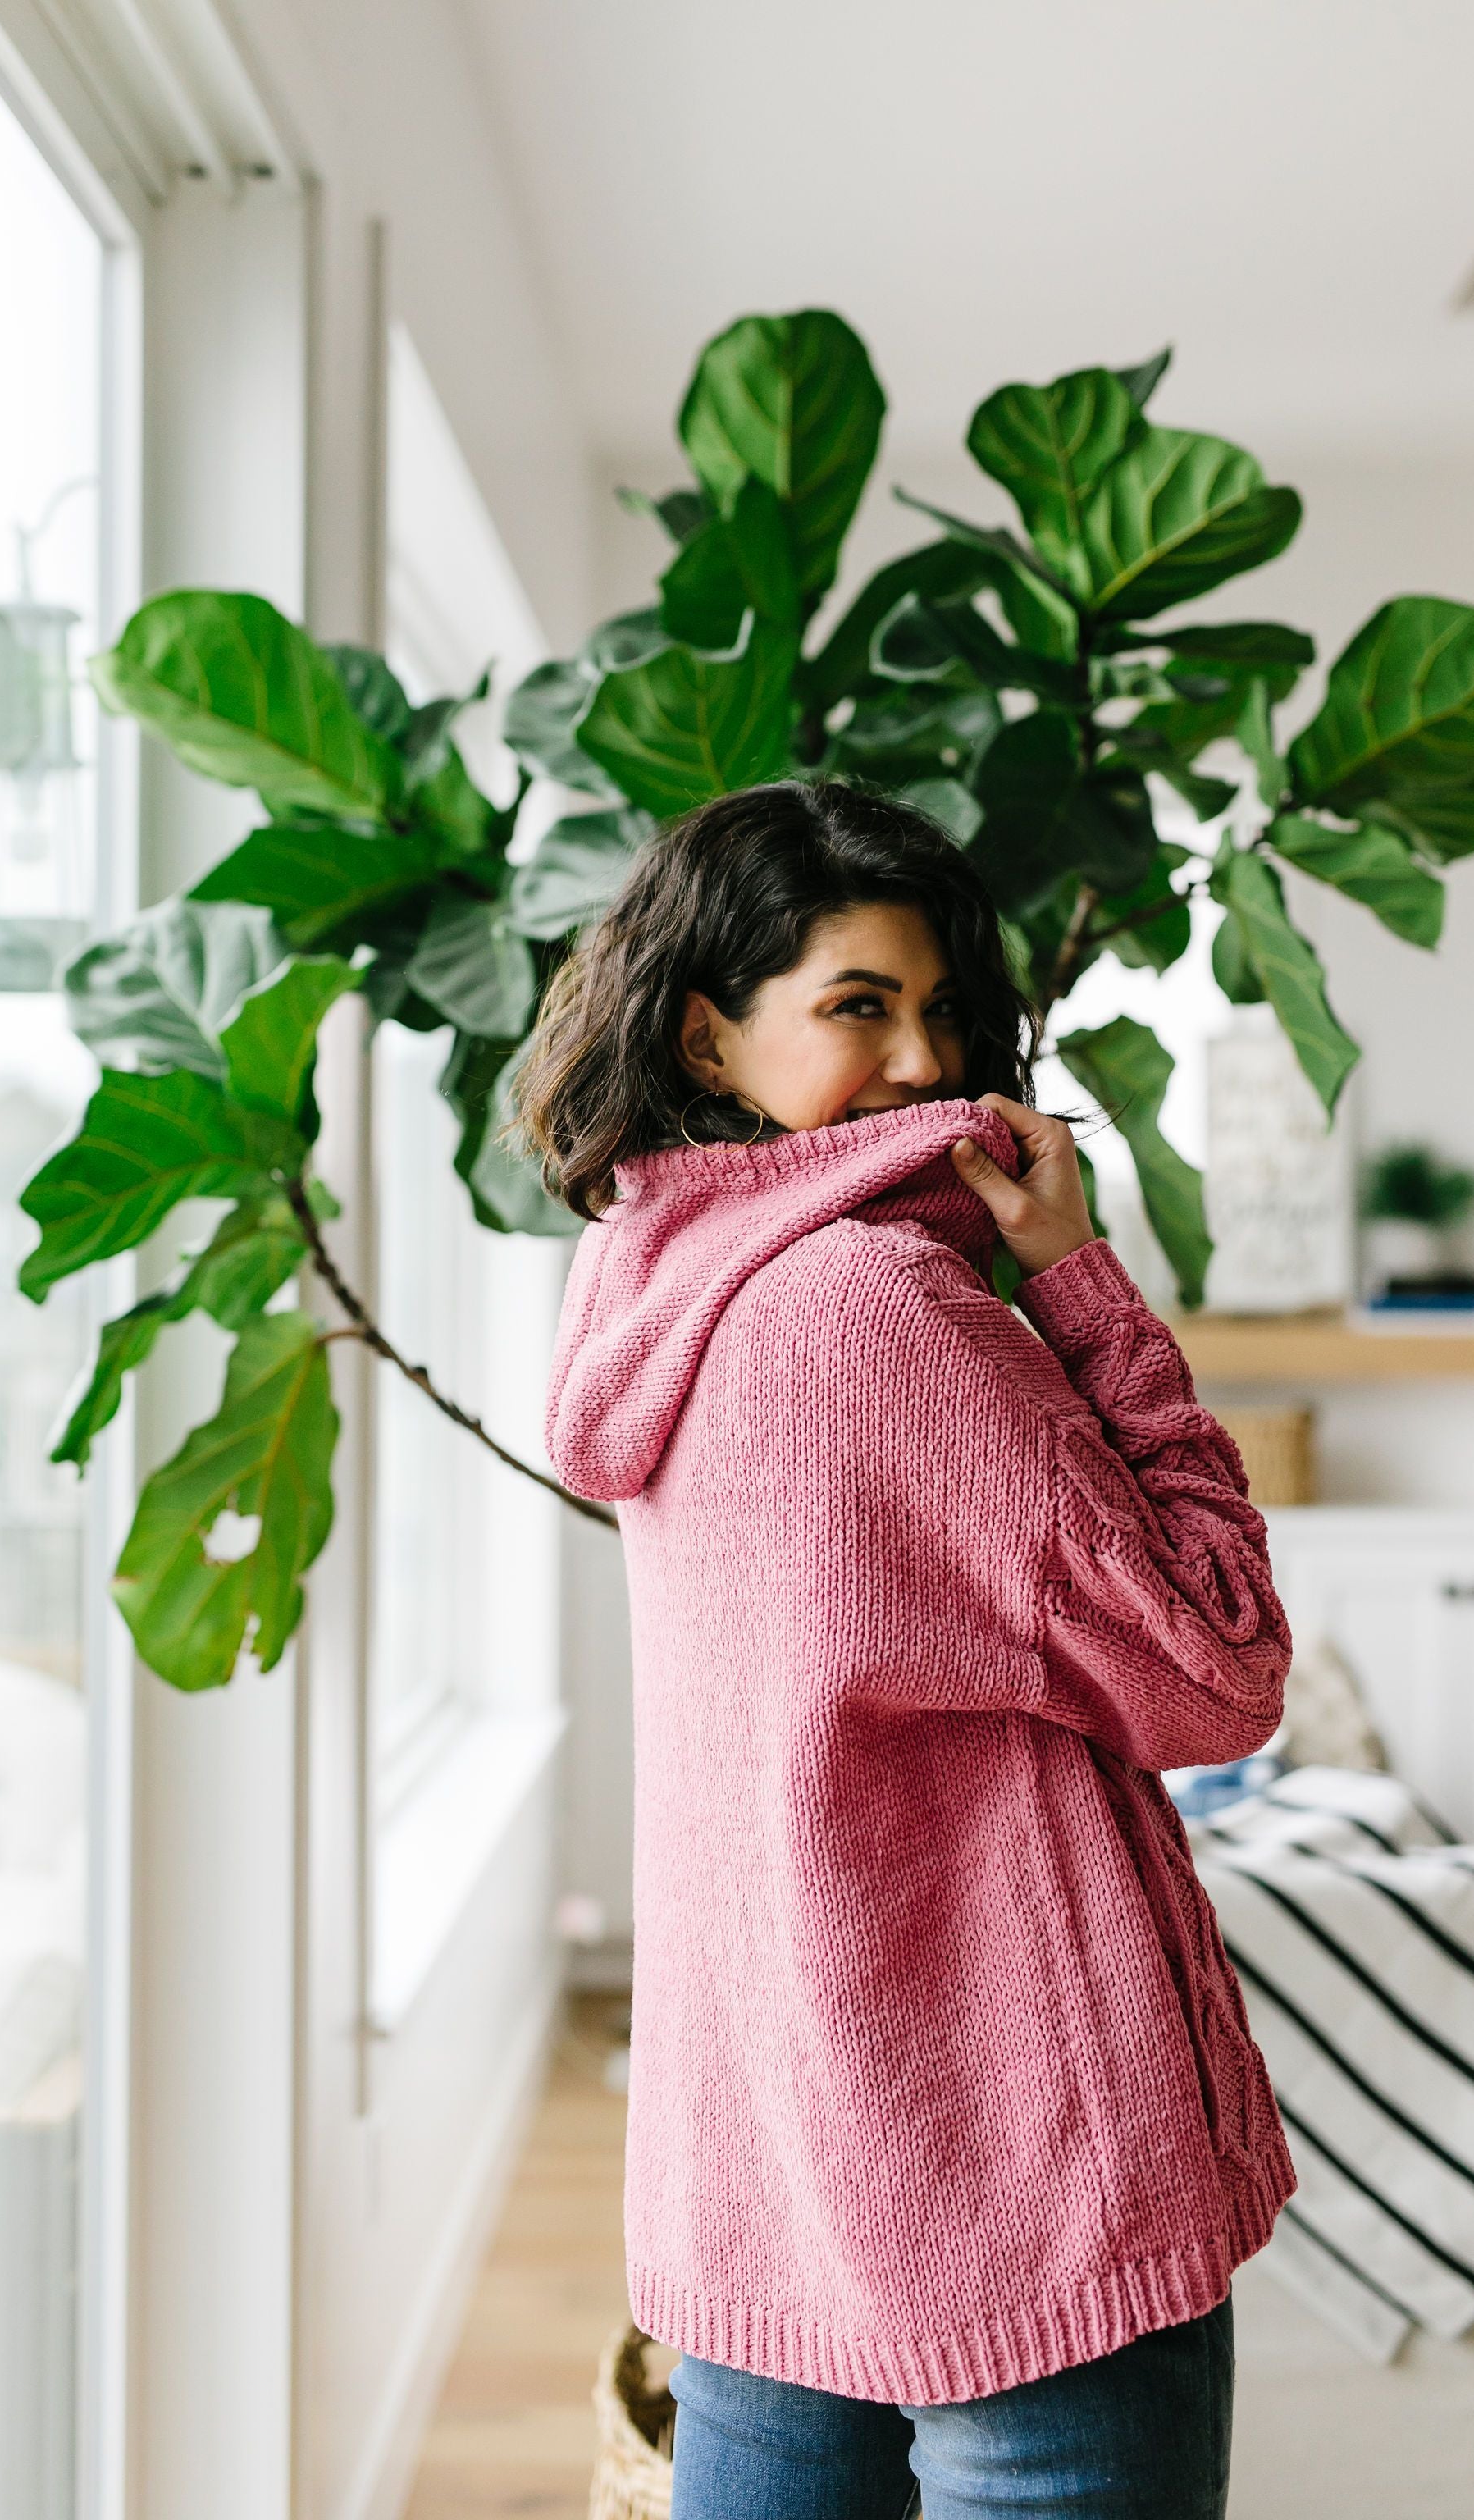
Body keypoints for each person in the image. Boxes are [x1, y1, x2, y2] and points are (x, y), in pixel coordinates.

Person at [517, 780, 1294, 2520]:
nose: (923, 1064)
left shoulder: (648, 1286)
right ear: (710, 1038)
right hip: (1015, 2189)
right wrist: (1080, 1277)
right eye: (857, 1007)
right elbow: (1215, 1669)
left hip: (765, 2171)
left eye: (943, 1012)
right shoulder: (886, 1309)